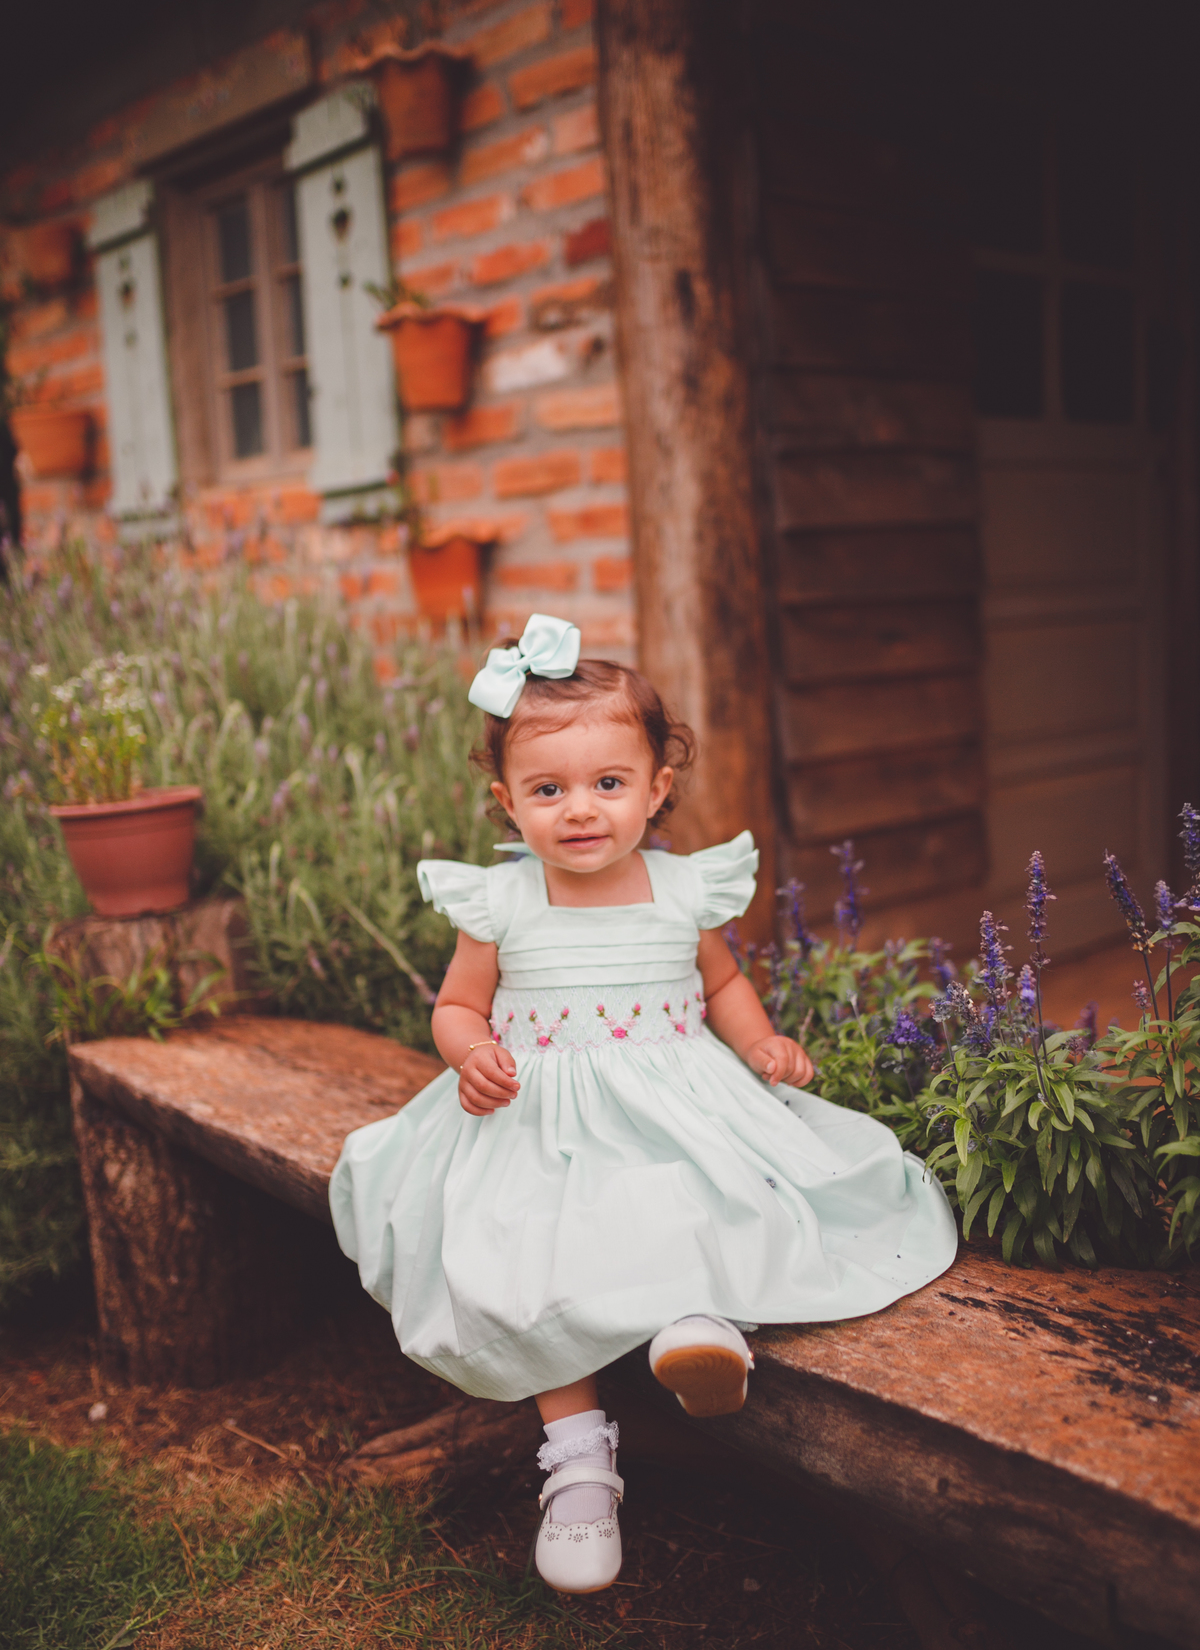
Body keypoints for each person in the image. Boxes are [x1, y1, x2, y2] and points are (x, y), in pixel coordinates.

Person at [330, 615, 957, 1595]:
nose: (579, 811)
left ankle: (689, 1327)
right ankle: (578, 1459)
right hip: (540, 1113)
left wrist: (757, 1043)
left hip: (679, 1098)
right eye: (548, 790)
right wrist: (472, 1053)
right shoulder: (503, 904)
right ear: (507, 802)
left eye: (607, 784)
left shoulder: (680, 890)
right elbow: (457, 1005)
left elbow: (720, 986)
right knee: (522, 1250)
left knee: (701, 1190)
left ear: (658, 788)